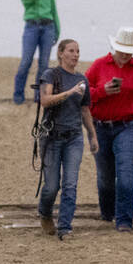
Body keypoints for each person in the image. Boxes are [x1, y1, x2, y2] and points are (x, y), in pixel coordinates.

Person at [84, 27, 133, 232]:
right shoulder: (99, 66)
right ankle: (108, 213)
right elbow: (83, 93)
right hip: (100, 127)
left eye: (130, 50)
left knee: (125, 173)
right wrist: (102, 91)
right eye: (122, 49)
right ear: (115, 47)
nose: (126, 54)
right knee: (105, 177)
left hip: (130, 126)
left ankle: (125, 220)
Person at [37, 39, 98, 238]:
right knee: (52, 186)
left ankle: (65, 227)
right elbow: (45, 101)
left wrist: (92, 135)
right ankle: (45, 213)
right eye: (71, 51)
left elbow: (85, 109)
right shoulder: (50, 75)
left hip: (74, 138)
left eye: (78, 51)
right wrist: (69, 92)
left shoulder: (82, 80)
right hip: (52, 137)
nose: (76, 55)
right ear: (61, 53)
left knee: (70, 184)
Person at [12, 0, 59, 105]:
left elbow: (53, 12)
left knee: (44, 64)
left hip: (47, 27)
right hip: (32, 27)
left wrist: (57, 30)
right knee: (26, 61)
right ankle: (18, 96)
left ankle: (39, 96)